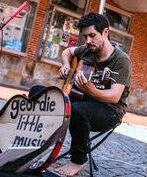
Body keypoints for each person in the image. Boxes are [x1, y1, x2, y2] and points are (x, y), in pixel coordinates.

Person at [54, 12, 132, 176]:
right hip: (85, 100)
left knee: (76, 110)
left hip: (110, 111)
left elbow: (114, 96)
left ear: (105, 32)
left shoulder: (121, 60)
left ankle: (79, 159)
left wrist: (91, 90)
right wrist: (66, 65)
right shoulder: (87, 50)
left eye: (92, 35)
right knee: (45, 94)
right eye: (85, 36)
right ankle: (42, 146)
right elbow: (68, 51)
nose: (88, 41)